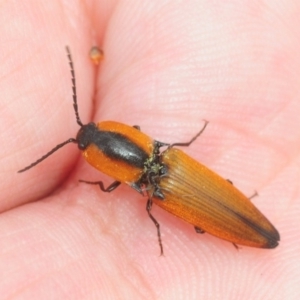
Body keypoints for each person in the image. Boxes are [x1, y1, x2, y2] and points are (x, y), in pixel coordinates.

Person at [0, 1, 296, 299]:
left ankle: (244, 229)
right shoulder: (167, 152)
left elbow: (107, 189)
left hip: (169, 191)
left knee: (195, 221)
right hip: (178, 174)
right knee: (209, 209)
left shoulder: (146, 186)